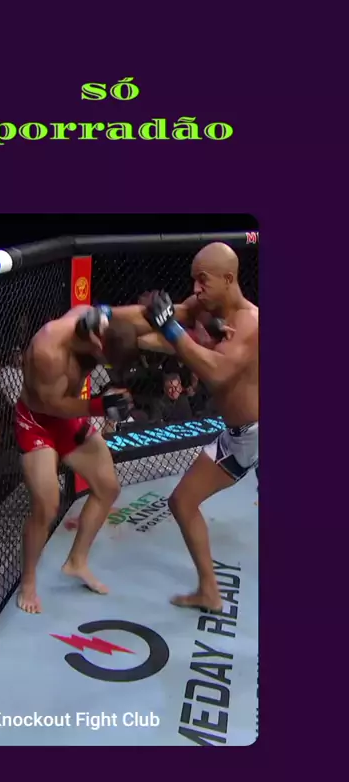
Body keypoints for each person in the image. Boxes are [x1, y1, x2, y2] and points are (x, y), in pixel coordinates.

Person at [109, 242, 258, 612]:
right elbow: (155, 315)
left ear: (229, 278)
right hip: (241, 435)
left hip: (259, 432)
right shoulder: (201, 308)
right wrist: (103, 315)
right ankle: (209, 591)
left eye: (203, 280)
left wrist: (172, 332)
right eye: (193, 280)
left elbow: (217, 373)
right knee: (182, 501)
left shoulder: (250, 322)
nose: (195, 289)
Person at [14, 305, 139, 614]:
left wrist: (176, 318)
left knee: (107, 488)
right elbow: (52, 405)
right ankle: (28, 580)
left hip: (68, 417)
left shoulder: (102, 325)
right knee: (47, 505)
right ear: (97, 341)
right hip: (38, 421)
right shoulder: (48, 349)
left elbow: (141, 318)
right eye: (103, 358)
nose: (102, 366)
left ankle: (76, 561)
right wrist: (99, 407)